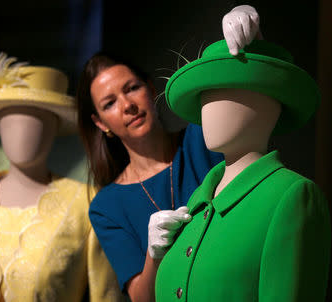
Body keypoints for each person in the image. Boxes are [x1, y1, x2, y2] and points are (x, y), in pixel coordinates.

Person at [76, 5, 262, 301]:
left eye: (132, 88)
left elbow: (254, 119)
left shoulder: (203, 137)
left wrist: (250, 44)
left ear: (151, 89)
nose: (127, 105)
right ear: (100, 124)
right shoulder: (107, 205)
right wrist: (154, 254)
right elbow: (142, 297)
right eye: (109, 103)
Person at [0, 53, 124, 302]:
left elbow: (105, 294)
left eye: (36, 121)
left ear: (54, 127)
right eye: (11, 121)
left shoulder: (85, 202)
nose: (21, 132)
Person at [155, 39, 331, 301]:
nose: (209, 106)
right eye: (205, 93)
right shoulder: (198, 201)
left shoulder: (292, 196)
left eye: (227, 89)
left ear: (270, 103)